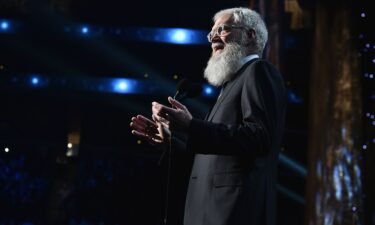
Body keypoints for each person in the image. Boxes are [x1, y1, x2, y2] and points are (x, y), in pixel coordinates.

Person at [130, 7, 287, 225]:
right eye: (211, 32)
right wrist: (171, 141)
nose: (213, 37)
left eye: (222, 29)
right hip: (207, 212)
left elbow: (259, 138)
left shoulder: (258, 71)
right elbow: (213, 156)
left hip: (234, 212)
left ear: (250, 35)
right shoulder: (232, 84)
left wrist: (192, 126)